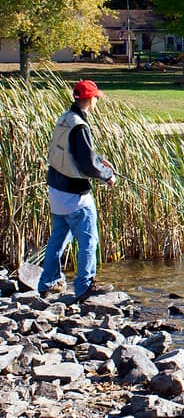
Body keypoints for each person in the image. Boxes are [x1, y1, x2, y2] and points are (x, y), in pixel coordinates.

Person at [38, 80, 117, 302]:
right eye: (96, 99)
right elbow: (86, 166)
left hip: (56, 188)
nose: (96, 102)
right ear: (90, 100)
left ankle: (47, 282)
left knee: (59, 238)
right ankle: (84, 286)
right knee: (89, 240)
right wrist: (107, 175)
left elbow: (70, 153)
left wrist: (99, 159)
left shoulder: (65, 118)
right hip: (75, 194)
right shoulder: (80, 126)